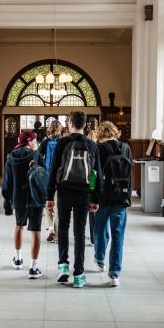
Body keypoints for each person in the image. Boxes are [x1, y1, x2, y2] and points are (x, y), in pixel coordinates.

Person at [46, 111, 103, 288]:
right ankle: (79, 274)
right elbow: (96, 174)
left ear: (70, 124)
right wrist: (95, 198)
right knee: (80, 232)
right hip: (84, 193)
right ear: (85, 125)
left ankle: (63, 267)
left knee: (63, 227)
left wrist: (49, 196)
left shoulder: (63, 142)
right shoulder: (92, 145)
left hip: (64, 191)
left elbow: (54, 170)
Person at [93, 121, 133, 287]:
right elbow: (130, 174)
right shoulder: (126, 148)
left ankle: (100, 258)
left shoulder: (99, 149)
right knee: (118, 235)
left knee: (100, 229)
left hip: (103, 198)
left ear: (100, 134)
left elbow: (94, 174)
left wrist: (92, 197)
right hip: (121, 198)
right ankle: (114, 274)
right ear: (115, 132)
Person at [1, 131, 45, 279]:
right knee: (36, 230)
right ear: (30, 142)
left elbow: (6, 182)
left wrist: (7, 200)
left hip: (18, 198)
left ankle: (18, 259)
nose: (36, 143)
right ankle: (33, 268)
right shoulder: (36, 155)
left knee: (19, 226)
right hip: (35, 198)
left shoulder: (11, 158)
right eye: (35, 140)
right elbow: (44, 176)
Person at [39, 120, 63, 243]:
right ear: (61, 129)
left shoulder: (45, 142)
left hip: (48, 177)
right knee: (58, 206)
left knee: (48, 204)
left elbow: (38, 156)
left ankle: (51, 231)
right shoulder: (65, 142)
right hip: (61, 177)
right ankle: (58, 235)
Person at [86, 129, 99, 246]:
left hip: (84, 183)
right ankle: (95, 238)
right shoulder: (98, 148)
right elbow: (96, 171)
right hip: (93, 182)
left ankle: (91, 237)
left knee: (90, 213)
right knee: (94, 212)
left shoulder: (85, 148)